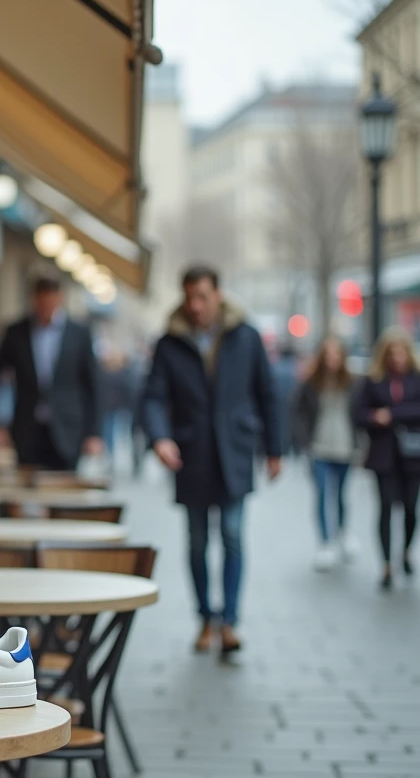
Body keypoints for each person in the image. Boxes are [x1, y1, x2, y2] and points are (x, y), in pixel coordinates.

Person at [142, 265, 283, 656]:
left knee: (234, 536)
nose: (195, 305)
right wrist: (160, 438)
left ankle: (230, 621)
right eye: (189, 297)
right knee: (198, 540)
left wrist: (276, 449)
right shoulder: (170, 342)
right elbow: (153, 396)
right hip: (191, 454)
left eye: (202, 296)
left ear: (218, 295)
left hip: (235, 451)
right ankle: (205, 618)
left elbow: (267, 393)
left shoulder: (246, 336)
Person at [0, 273, 104, 470]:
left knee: (65, 493)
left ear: (59, 299)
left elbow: (93, 385)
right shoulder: (16, 332)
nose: (46, 308)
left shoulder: (79, 334)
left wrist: (94, 433)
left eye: (51, 301)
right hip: (27, 430)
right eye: (42, 302)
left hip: (68, 430)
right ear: (34, 299)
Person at [355, 326, 420, 590]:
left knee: (409, 508)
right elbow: (359, 414)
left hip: (413, 455)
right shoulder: (374, 379)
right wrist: (374, 417)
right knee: (384, 507)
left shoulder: (416, 378)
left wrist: (392, 414)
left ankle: (404, 551)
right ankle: (386, 564)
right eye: (392, 353)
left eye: (401, 352)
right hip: (383, 454)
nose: (397, 358)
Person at [291, 337, 359, 571]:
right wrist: (304, 442)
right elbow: (297, 412)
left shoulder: (352, 382)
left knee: (340, 494)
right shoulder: (311, 383)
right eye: (328, 355)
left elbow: (360, 412)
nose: (332, 360)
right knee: (321, 494)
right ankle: (325, 542)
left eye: (336, 355)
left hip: (345, 446)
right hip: (318, 447)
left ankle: (342, 532)